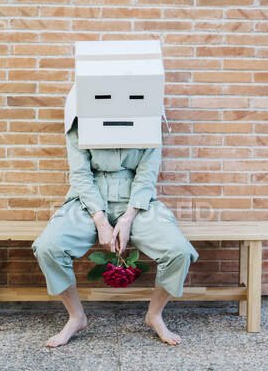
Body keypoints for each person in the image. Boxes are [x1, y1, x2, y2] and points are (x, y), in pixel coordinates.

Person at [31, 121, 199, 347]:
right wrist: (100, 219)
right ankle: (76, 317)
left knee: (178, 250)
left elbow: (146, 175)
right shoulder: (80, 122)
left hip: (136, 202)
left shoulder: (148, 120)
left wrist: (129, 217)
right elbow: (80, 174)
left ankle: (155, 315)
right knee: (48, 247)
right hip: (86, 201)